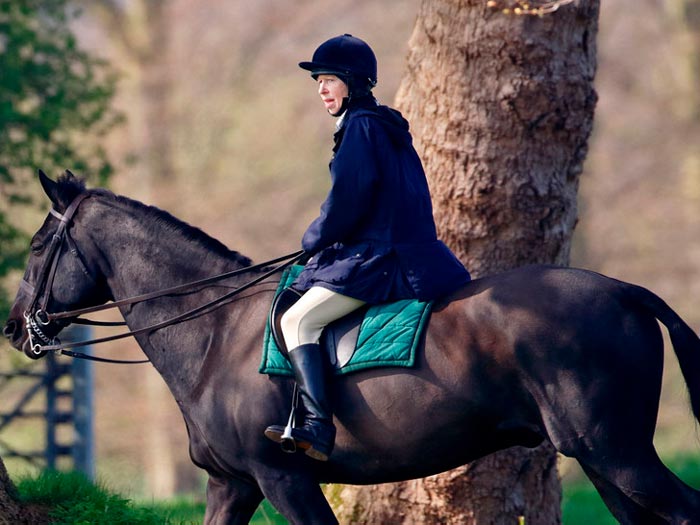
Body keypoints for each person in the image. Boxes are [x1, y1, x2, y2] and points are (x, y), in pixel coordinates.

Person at [264, 34, 471, 461]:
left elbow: (348, 201)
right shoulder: (382, 125)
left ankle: (317, 427)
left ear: (353, 83)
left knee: (298, 322)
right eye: (318, 81)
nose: (321, 88)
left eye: (329, 79)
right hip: (402, 250)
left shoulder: (360, 127)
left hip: (379, 258)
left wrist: (313, 239)